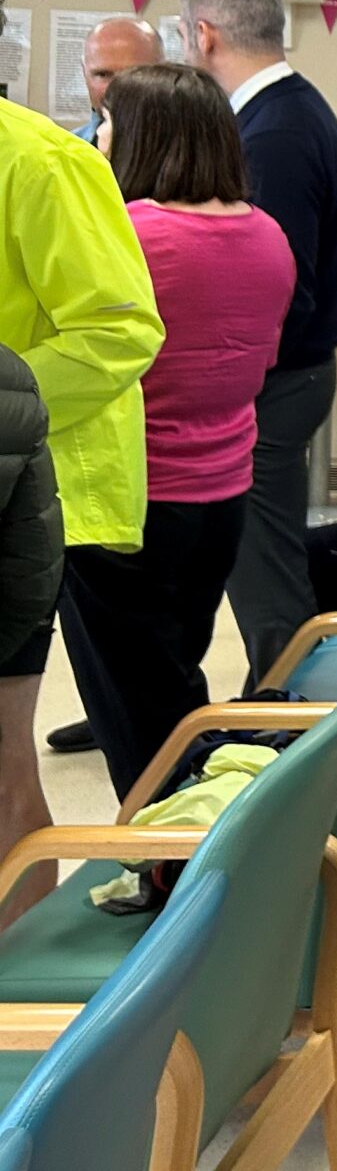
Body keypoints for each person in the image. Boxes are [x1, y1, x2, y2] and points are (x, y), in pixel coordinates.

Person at [62, 65, 295, 800]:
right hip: (220, 498)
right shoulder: (268, 236)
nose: (96, 139)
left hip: (126, 504)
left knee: (142, 726)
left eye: (105, 126)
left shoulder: (127, 233)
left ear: (137, 137)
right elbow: (262, 357)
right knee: (173, 693)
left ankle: (173, 868)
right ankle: (194, 850)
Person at [0, 0, 161, 914]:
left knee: (3, 766)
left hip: (21, 492)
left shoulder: (48, 163)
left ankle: (16, 1018)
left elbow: (119, 328)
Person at [180, 0, 337, 687]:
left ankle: (284, 711)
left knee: (264, 566)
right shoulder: (287, 112)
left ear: (205, 35)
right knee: (242, 556)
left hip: (279, 382)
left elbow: (282, 290)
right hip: (288, 374)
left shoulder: (274, 132)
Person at [0, 344, 63, 931]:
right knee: (13, 772)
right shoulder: (10, 369)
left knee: (10, 777)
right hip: (25, 580)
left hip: (14, 594)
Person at [71, 15, 159, 146]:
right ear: (85, 73)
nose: (117, 89)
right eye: (103, 75)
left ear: (162, 74)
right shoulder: (65, 152)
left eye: (133, 74)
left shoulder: (193, 152)